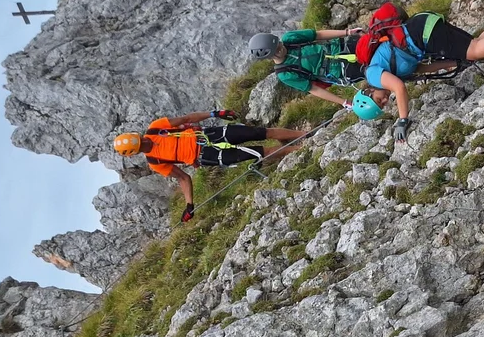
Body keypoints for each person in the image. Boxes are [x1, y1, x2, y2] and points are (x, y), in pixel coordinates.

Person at [366, 8, 484, 142]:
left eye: (378, 100)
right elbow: (422, 69)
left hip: (421, 34)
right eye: (383, 105)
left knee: (474, 50)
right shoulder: (387, 69)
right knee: (476, 44)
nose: (385, 101)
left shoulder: (372, 75)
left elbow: (399, 88)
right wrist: (455, 63)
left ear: (369, 92)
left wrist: (402, 120)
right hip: (422, 25)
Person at [112, 111, 307, 221]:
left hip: (207, 138)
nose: (145, 140)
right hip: (208, 154)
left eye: (141, 139)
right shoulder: (155, 161)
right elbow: (183, 178)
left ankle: (305, 136)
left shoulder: (156, 128)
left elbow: (187, 119)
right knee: (259, 150)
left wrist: (215, 113)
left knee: (260, 134)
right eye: (141, 142)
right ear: (136, 149)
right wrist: (189, 205)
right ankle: (301, 147)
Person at [246, 29, 386, 115]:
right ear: (269, 57)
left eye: (279, 44)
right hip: (343, 71)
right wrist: (344, 102)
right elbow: (314, 89)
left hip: (343, 46)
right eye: (277, 50)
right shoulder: (285, 74)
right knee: (380, 70)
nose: (281, 48)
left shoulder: (290, 39)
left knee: (382, 45)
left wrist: (347, 32)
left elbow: (317, 34)